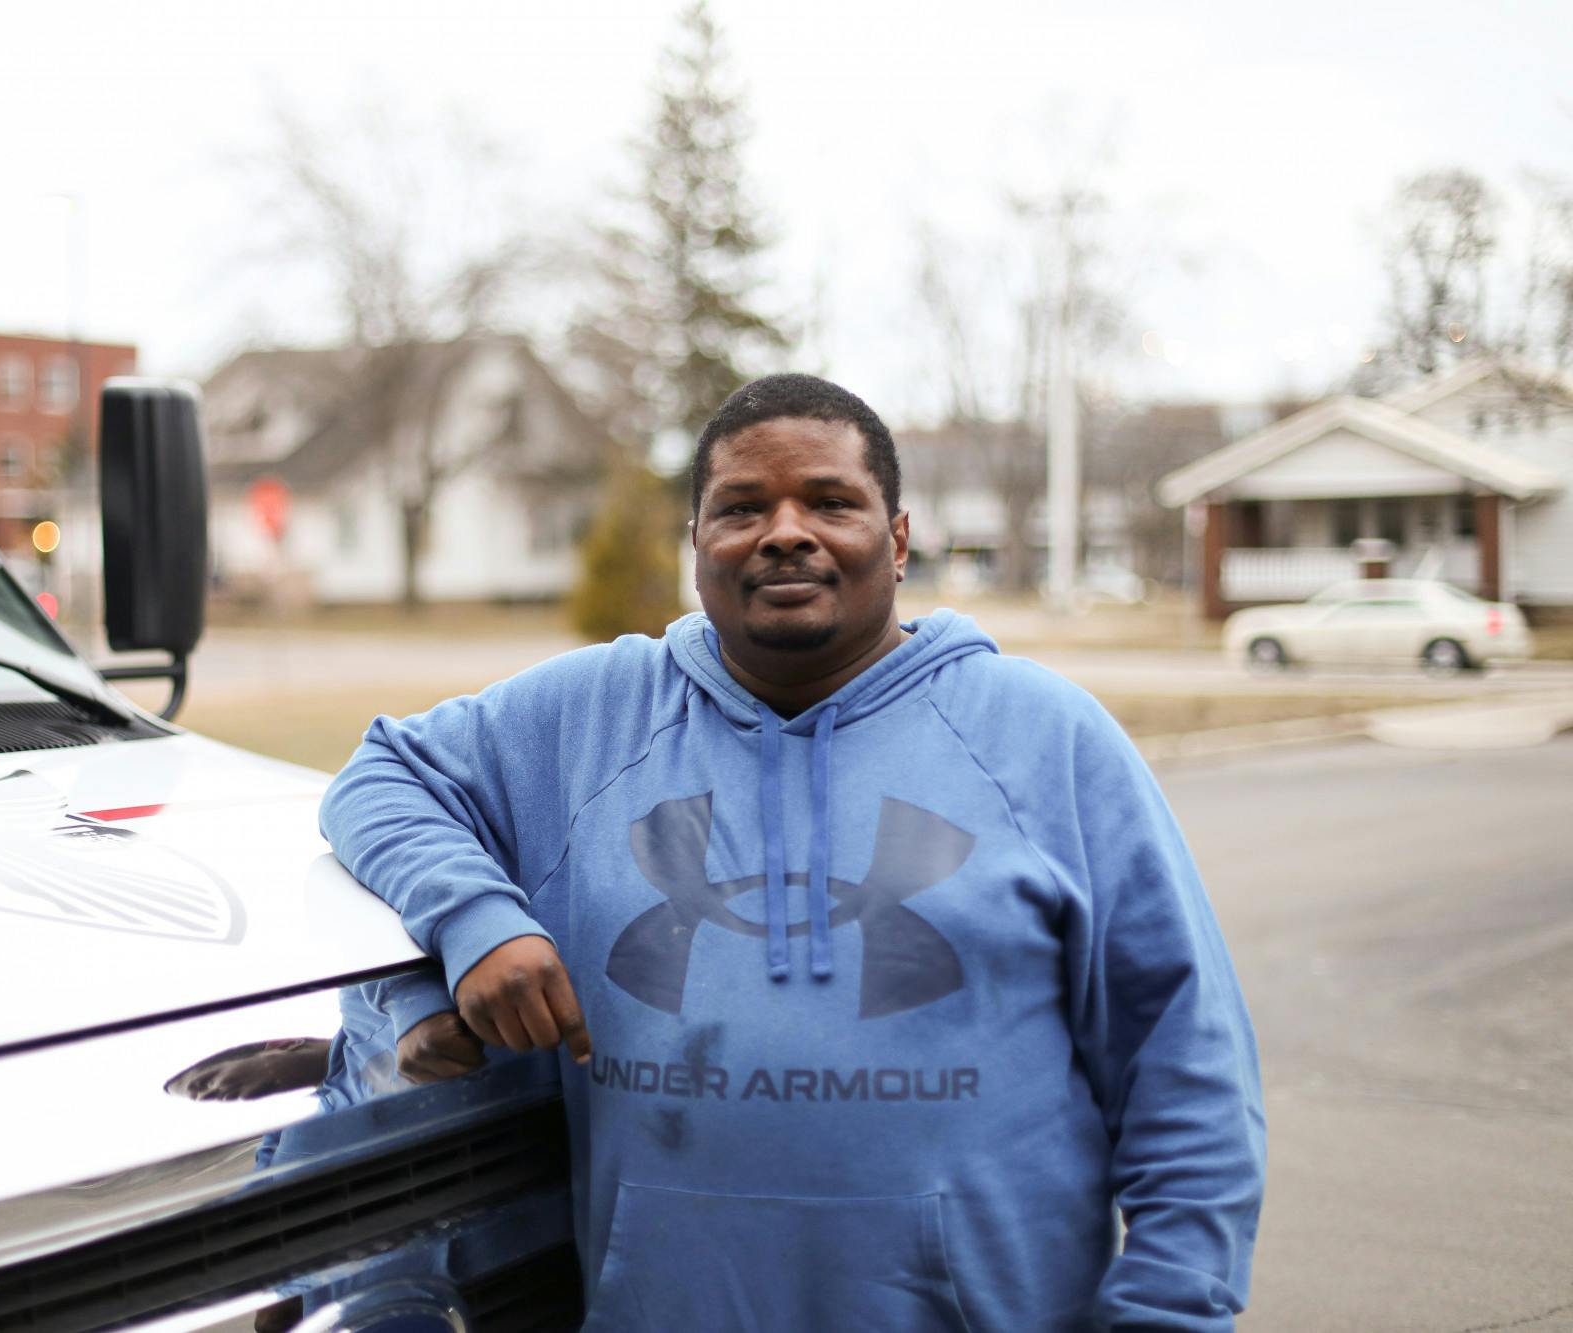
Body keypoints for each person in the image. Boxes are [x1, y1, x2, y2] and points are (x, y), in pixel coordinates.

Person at [321, 374, 1266, 1331]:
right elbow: (379, 776)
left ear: (897, 540)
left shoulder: (1044, 735)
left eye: (829, 501)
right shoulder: (592, 717)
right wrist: (476, 923)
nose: (783, 531)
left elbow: (1183, 1059)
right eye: (739, 507)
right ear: (696, 545)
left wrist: (1171, 1312)